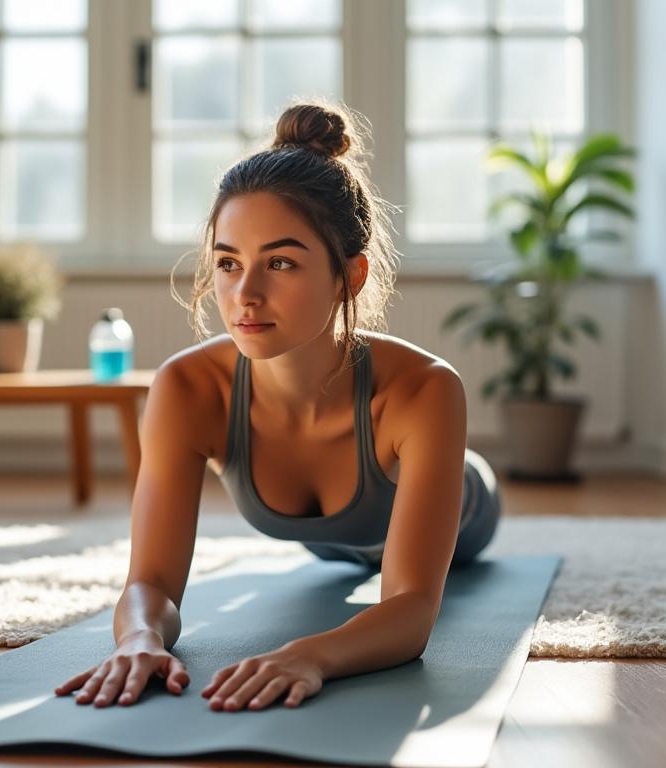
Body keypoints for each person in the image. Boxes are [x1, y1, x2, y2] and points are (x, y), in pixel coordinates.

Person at [54, 100, 502, 713]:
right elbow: (152, 582)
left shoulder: (425, 390)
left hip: (467, 511)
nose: (245, 294)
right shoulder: (188, 388)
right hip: (325, 541)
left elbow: (411, 610)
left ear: (351, 275)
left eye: (281, 263)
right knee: (333, 558)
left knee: (464, 525)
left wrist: (309, 653)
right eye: (228, 263)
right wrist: (138, 638)